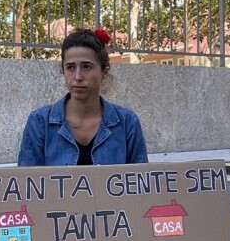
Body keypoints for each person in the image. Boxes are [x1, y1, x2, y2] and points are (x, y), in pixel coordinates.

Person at [18, 28, 148, 166]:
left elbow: (141, 181)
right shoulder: (40, 122)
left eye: (86, 67)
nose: (78, 77)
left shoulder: (127, 122)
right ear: (63, 70)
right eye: (70, 67)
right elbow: (27, 182)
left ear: (104, 72)